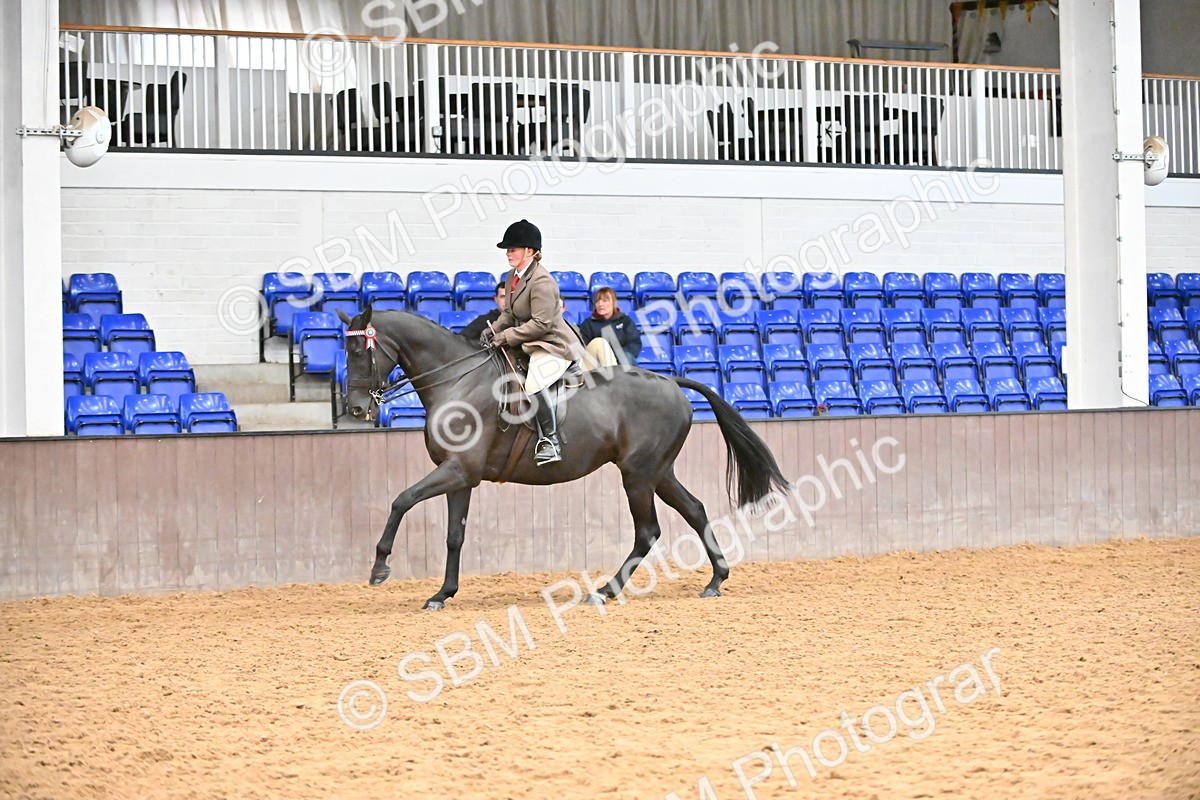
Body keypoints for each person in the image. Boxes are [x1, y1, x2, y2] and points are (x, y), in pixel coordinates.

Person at [482, 219, 578, 466]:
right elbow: (510, 313)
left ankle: (550, 441)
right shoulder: (512, 275)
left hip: (551, 344)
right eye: (507, 249)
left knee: (534, 381)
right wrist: (494, 329)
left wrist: (507, 336)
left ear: (530, 251)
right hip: (527, 341)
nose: (508, 254)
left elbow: (541, 325)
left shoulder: (542, 282)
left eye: (512, 249)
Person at [578, 286, 642, 367]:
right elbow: (585, 347)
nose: (600, 304)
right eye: (597, 301)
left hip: (621, 360)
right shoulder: (588, 323)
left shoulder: (625, 320)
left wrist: (617, 356)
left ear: (614, 303)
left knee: (626, 357)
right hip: (598, 362)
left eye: (605, 301)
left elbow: (634, 343)